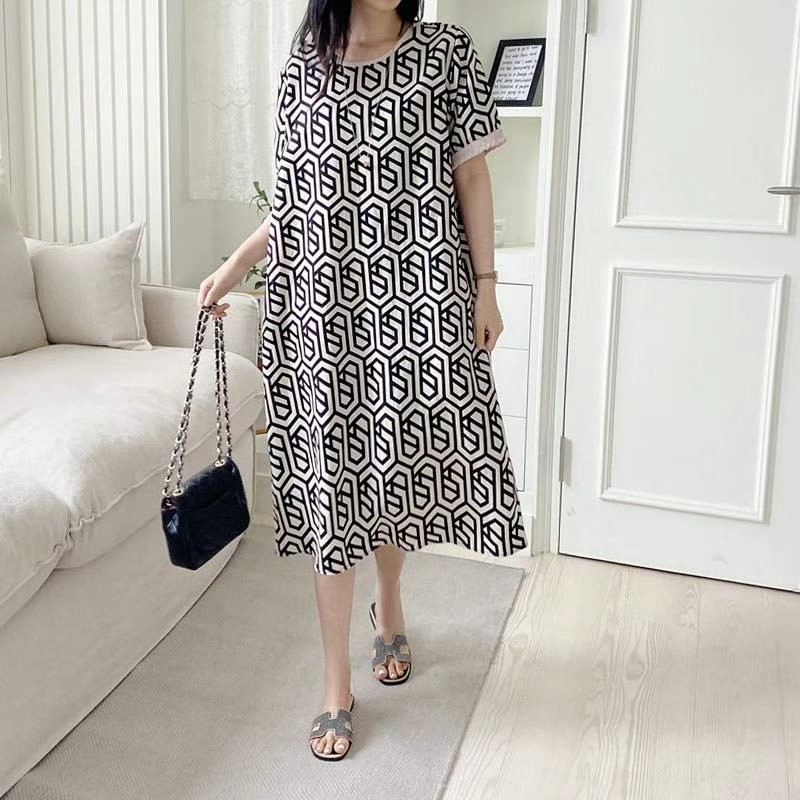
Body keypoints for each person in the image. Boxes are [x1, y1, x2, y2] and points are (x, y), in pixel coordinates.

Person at [197, 0, 527, 763]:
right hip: (324, 313)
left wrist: (486, 286)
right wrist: (234, 265)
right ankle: (335, 685)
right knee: (331, 490)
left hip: (418, 305)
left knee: (396, 474)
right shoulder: (303, 63)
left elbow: (472, 177)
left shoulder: (445, 52)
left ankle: (391, 603)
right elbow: (296, 200)